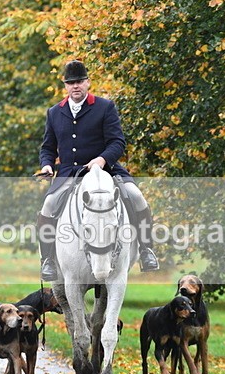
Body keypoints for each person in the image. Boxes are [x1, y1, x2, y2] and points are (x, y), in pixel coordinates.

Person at [36, 59, 159, 281]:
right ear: (65, 86)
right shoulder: (54, 112)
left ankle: (146, 250)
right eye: (71, 82)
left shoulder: (105, 107)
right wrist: (46, 164)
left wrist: (102, 160)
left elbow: (117, 142)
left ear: (88, 83)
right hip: (69, 174)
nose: (76, 86)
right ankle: (47, 260)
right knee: (48, 205)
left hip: (106, 170)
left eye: (80, 81)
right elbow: (47, 147)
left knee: (136, 196)